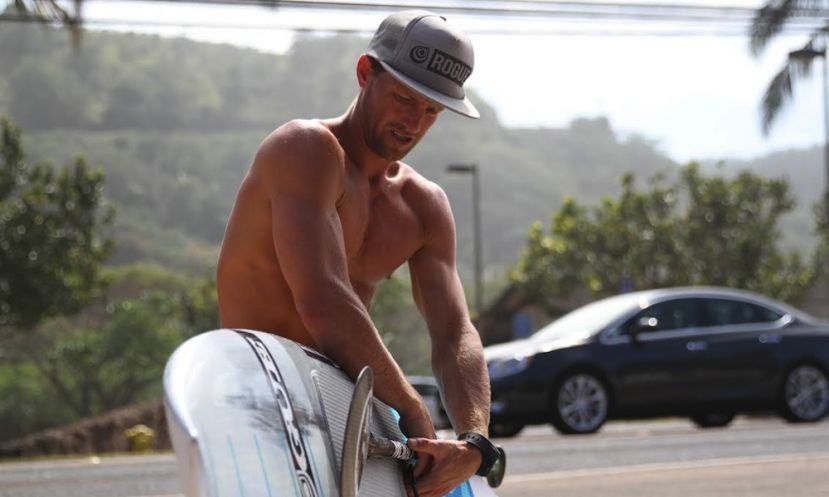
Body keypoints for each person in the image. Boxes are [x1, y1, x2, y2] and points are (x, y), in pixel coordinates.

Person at [217, 10, 496, 497]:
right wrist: (413, 411)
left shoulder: (421, 206)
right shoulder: (306, 150)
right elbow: (323, 301)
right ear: (366, 73)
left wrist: (474, 441)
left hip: (349, 413)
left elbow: (454, 332)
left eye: (431, 109)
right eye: (404, 99)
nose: (414, 121)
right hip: (263, 406)